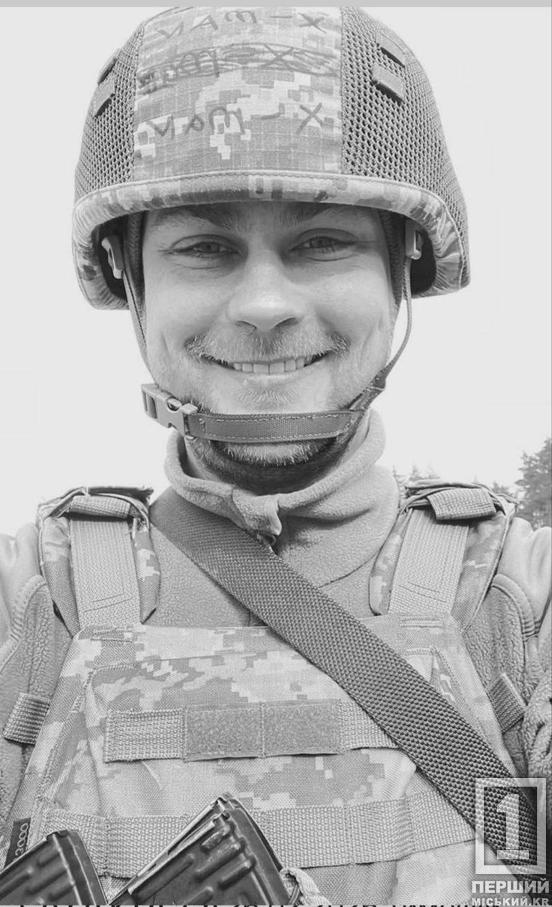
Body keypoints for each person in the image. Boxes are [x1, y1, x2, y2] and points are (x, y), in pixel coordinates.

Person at [0, 6, 549, 904]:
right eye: (205, 247)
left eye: (321, 241)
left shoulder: (515, 604)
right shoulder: (33, 605)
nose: (264, 304)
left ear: (400, 270)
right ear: (134, 282)